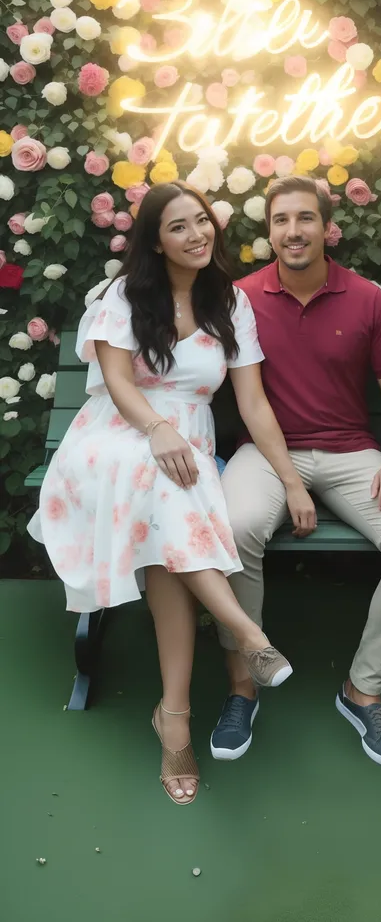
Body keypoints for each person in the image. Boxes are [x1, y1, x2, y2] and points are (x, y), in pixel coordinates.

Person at [28, 181, 317, 806]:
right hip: (116, 437)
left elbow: (252, 401)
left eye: (202, 222)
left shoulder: (231, 304)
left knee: (166, 529)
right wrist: (157, 430)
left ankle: (175, 716)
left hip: (182, 445)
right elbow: (116, 384)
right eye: (179, 227)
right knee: (165, 485)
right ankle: (245, 632)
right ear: (155, 243)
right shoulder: (122, 297)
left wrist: (291, 479)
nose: (197, 235)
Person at [211, 174, 381, 769]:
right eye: (281, 220)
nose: (293, 230)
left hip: (351, 454)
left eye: (304, 218)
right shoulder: (241, 297)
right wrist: (289, 479)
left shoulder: (365, 297)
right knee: (232, 530)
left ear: (326, 227)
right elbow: (244, 398)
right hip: (266, 453)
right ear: (269, 232)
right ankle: (244, 685)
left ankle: (363, 691)